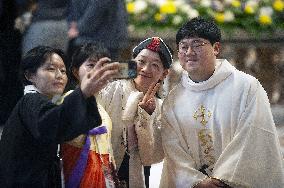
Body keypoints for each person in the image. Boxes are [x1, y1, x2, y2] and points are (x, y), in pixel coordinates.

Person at [159, 17, 284, 188]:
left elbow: (253, 137)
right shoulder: (173, 100)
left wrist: (221, 180)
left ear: (216, 48)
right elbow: (173, 150)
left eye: (197, 45)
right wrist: (198, 182)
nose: (189, 52)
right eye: (183, 46)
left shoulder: (246, 87)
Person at [0, 46, 119, 187]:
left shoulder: (46, 102)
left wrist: (85, 95)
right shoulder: (30, 101)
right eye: (51, 69)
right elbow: (51, 125)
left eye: (63, 71)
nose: (60, 75)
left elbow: (65, 127)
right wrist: (83, 93)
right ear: (29, 75)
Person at [96, 37, 173, 188]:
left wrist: (146, 117)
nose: (145, 69)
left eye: (155, 65)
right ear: (132, 63)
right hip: (100, 172)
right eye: (141, 61)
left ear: (164, 74)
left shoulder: (163, 108)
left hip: (136, 177)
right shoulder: (109, 90)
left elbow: (150, 157)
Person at [60, 43, 121, 188]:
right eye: (91, 65)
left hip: (102, 177)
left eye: (103, 67)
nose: (98, 71)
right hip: (75, 174)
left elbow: (109, 154)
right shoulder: (68, 99)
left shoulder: (103, 111)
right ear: (75, 71)